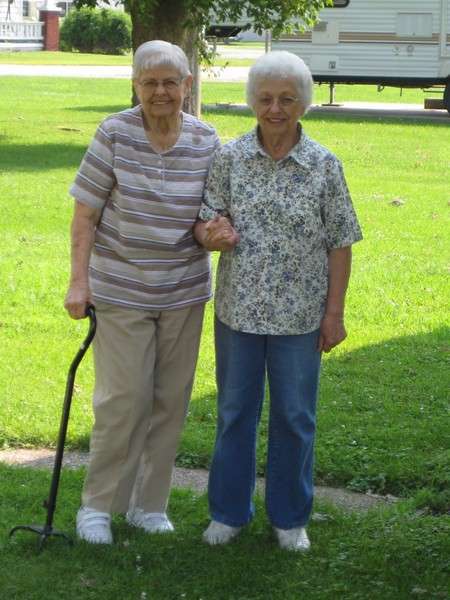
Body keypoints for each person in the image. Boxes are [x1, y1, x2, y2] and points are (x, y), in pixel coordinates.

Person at [194, 51, 363, 551]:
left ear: (303, 104)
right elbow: (205, 221)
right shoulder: (229, 158)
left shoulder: (324, 165)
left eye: (287, 99)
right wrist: (211, 234)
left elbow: (340, 243)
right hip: (239, 313)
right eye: (265, 98)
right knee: (234, 413)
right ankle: (228, 513)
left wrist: (334, 314)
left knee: (294, 417)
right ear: (253, 102)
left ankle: (290, 518)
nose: (275, 109)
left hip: (300, 317)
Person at [64, 40, 220, 544]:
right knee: (124, 399)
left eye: (170, 82)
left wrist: (215, 231)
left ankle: (149, 505)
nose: (160, 92)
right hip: (122, 288)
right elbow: (85, 215)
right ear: (135, 85)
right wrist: (79, 281)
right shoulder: (114, 133)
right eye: (149, 82)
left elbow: (209, 215)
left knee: (170, 401)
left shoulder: (206, 140)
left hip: (183, 291)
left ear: (187, 85)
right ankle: (98, 506)